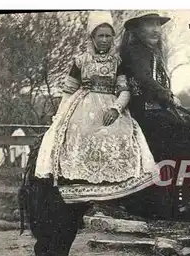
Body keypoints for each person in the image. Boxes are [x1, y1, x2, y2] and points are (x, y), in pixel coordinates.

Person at [35, 11, 161, 203]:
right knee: (78, 132)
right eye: (100, 36)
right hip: (82, 105)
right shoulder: (80, 61)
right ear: (92, 38)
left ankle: (116, 185)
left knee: (121, 134)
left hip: (111, 104)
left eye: (108, 36)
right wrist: (59, 118)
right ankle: (78, 180)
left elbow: (124, 90)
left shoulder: (117, 62)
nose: (104, 40)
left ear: (113, 38)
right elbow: (69, 90)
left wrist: (116, 109)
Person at [118, 11, 190, 213]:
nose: (155, 29)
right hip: (144, 112)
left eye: (157, 25)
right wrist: (167, 96)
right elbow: (145, 80)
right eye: (149, 24)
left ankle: (189, 190)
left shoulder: (151, 52)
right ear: (137, 29)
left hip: (156, 111)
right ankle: (184, 195)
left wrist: (168, 97)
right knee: (189, 134)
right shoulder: (135, 51)